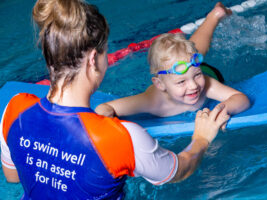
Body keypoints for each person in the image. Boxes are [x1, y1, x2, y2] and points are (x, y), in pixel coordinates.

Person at [1, 0, 229, 199]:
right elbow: (181, 170)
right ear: (93, 59)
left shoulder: (15, 108)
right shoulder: (123, 138)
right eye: (105, 53)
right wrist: (201, 138)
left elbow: (12, 176)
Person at [95, 3, 250, 124]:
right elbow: (106, 107)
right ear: (160, 84)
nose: (193, 86)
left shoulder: (206, 84)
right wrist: (103, 117)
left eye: (197, 76)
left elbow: (241, 99)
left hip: (207, 70)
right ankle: (213, 18)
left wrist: (220, 110)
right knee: (191, 52)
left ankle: (214, 17)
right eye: (181, 82)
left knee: (195, 50)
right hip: (186, 70)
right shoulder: (153, 101)